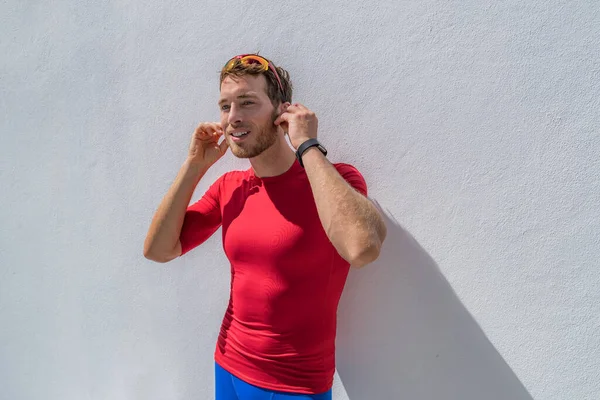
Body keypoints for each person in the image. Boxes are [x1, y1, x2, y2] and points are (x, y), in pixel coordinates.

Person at [143, 54, 387, 400]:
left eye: (247, 103)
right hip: (228, 363)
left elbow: (363, 248)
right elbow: (158, 250)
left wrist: (306, 145)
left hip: (294, 384)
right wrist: (194, 165)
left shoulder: (336, 181)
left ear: (282, 111)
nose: (233, 117)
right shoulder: (230, 187)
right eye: (225, 106)